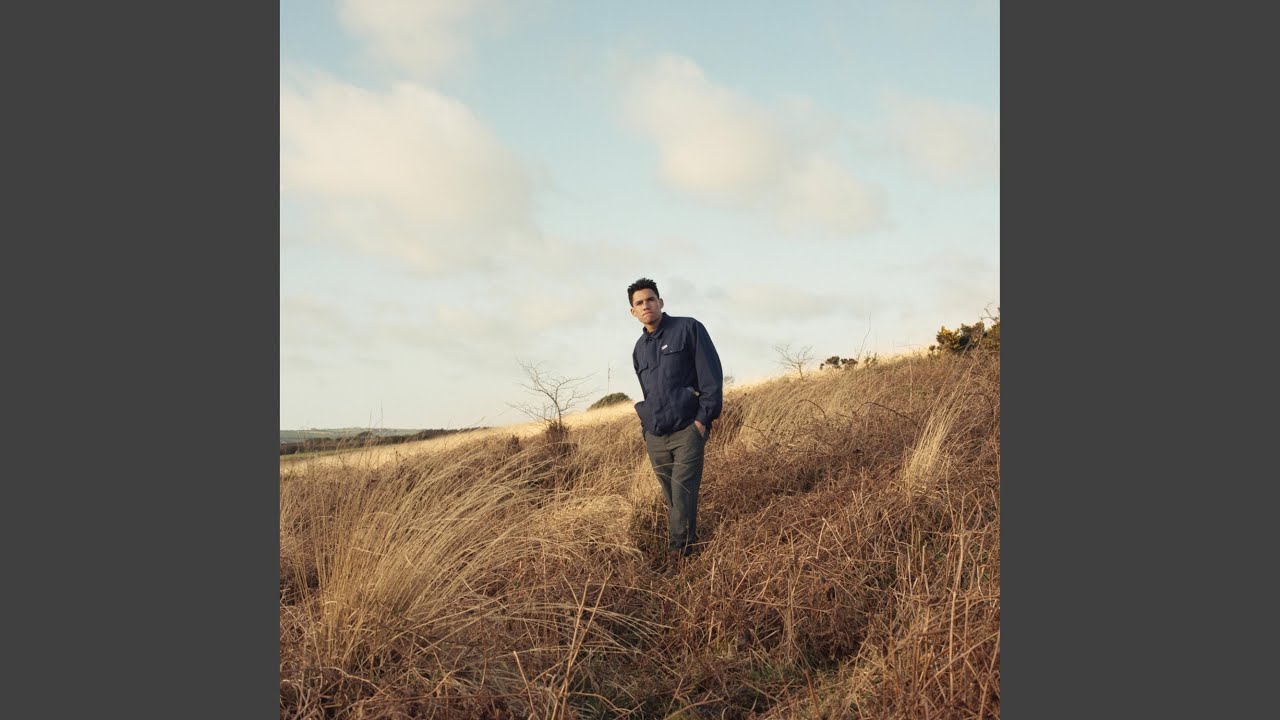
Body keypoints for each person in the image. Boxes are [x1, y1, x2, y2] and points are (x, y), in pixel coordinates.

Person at [627, 277, 723, 569]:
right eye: (639, 303)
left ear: (660, 302)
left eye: (650, 299)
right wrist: (646, 430)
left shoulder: (688, 328)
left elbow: (711, 377)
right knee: (672, 496)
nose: (646, 306)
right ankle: (688, 545)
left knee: (682, 491)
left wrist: (702, 421)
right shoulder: (639, 349)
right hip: (656, 436)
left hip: (687, 430)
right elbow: (649, 392)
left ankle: (678, 556)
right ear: (633, 311)